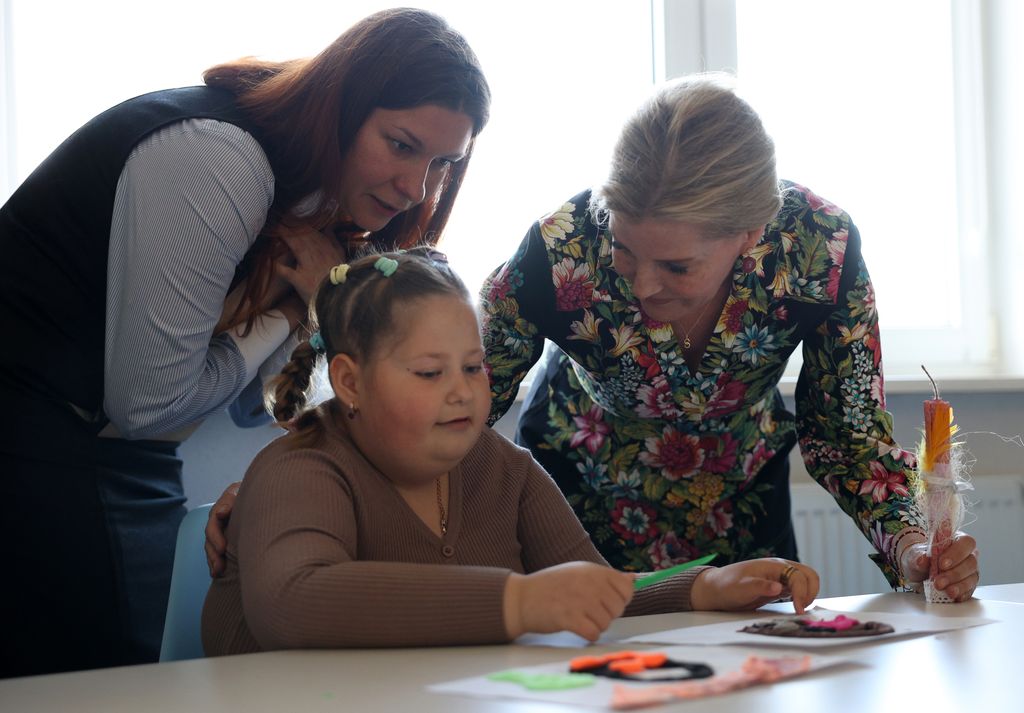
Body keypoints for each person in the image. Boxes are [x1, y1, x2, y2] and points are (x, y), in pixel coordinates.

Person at [0, 8, 490, 677]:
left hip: (118, 456)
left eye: (442, 163)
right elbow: (150, 403)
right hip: (37, 441)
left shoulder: (319, 210)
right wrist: (296, 310)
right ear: (341, 107)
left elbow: (257, 405)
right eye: (401, 144)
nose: (417, 188)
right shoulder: (220, 158)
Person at [479, 74, 979, 602]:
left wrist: (913, 546)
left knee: (750, 670)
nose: (644, 286)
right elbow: (458, 409)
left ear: (751, 233)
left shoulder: (818, 249)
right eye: (624, 251)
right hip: (579, 504)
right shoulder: (560, 249)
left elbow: (849, 438)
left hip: (742, 506)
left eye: (676, 265)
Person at [200, 249, 819, 655]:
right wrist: (518, 600)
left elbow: (596, 588)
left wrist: (701, 587)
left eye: (472, 367)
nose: (462, 392)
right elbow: (293, 601)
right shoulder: (300, 469)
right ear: (351, 382)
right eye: (427, 373)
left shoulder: (504, 467)